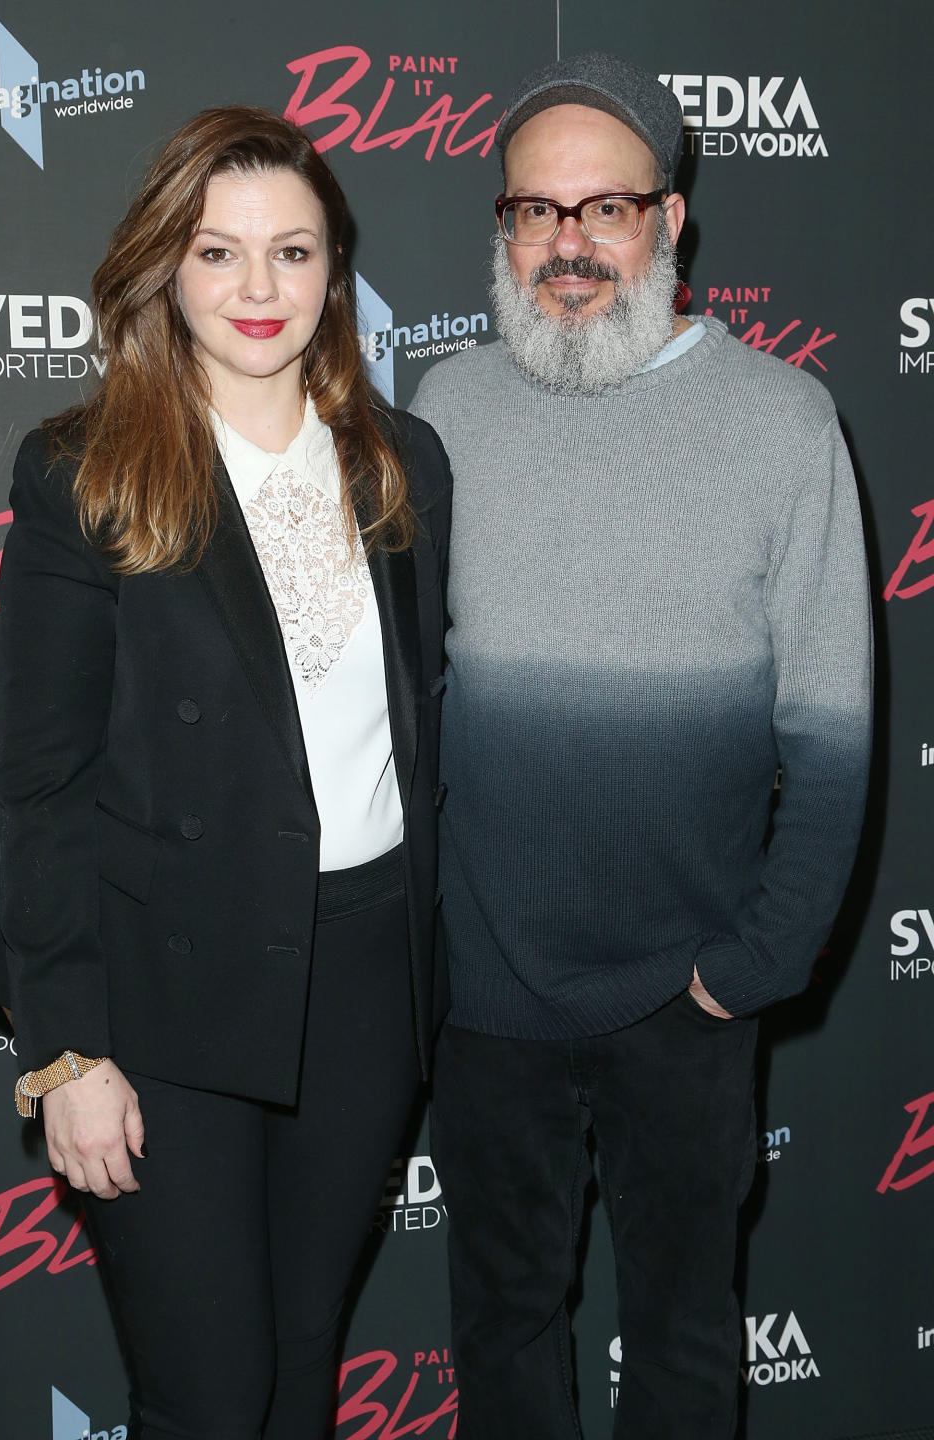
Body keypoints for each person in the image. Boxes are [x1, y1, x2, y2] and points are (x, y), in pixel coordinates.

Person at [411, 52, 871, 1440]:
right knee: (503, 1337)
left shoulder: (786, 422)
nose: (568, 245)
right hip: (484, 993)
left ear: (670, 222)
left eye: (604, 209)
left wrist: (751, 968)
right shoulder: (446, 408)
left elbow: (837, 734)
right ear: (502, 230)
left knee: (681, 1343)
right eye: (534, 213)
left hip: (688, 996)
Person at [0, 106, 450, 1440]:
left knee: (304, 1374)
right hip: (163, 998)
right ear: (164, 269)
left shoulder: (405, 468)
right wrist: (68, 1049)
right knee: (207, 1395)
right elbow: (46, 779)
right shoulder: (86, 471)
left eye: (292, 254)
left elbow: (422, 731)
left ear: (334, 273)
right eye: (219, 252)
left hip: (362, 982)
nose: (258, 290)